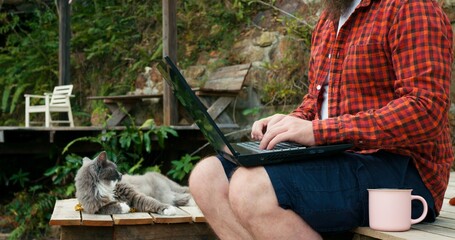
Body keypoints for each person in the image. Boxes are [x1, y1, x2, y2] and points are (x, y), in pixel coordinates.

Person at [188, 0, 454, 239]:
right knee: (208, 177)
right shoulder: (330, 19)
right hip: (337, 155)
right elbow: (316, 104)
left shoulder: (411, 7)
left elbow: (426, 109)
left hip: (402, 171)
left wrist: (319, 132)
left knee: (251, 189)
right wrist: (289, 122)